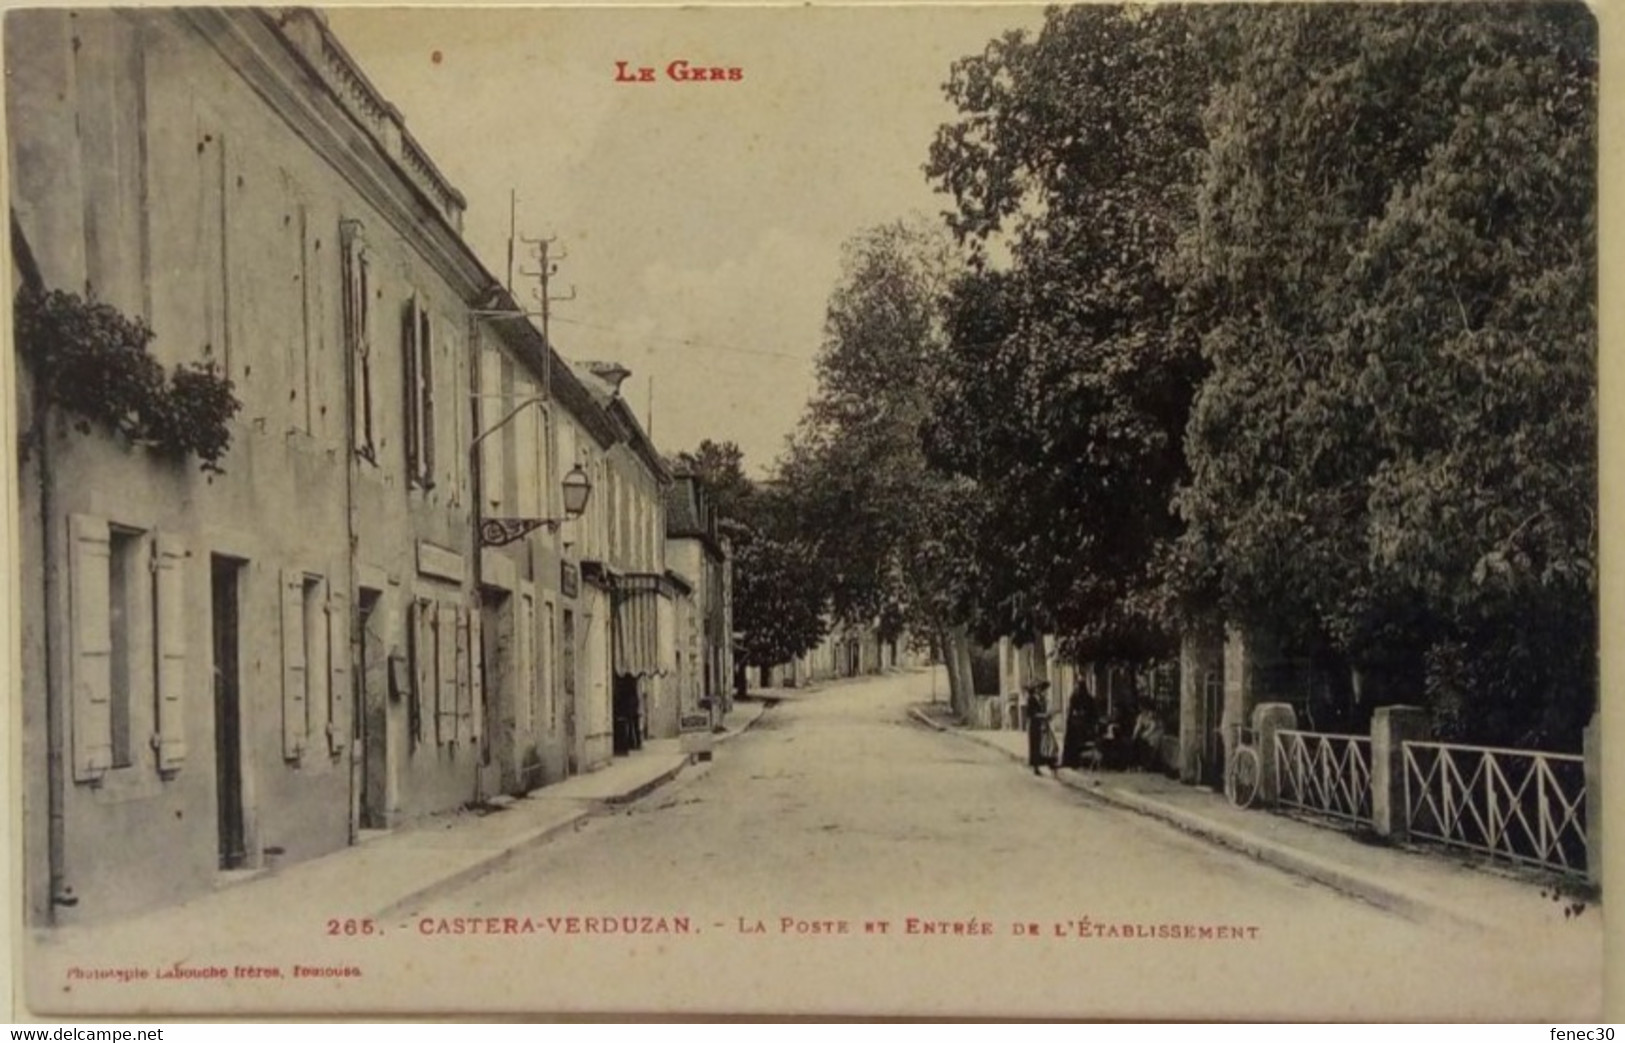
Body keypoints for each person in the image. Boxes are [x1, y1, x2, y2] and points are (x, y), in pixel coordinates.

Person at [1060, 681, 1099, 769]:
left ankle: (1075, 761)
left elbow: (1093, 714)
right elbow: (1070, 711)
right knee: (1071, 737)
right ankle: (1070, 761)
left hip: (1085, 727)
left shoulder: (1089, 699)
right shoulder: (1074, 697)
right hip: (1075, 726)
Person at [1024, 681, 1056, 776]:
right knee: (1036, 746)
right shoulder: (1031, 699)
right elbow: (1031, 714)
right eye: (1037, 689)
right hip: (1034, 726)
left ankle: (1049, 764)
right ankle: (1037, 767)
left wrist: (1047, 716)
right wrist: (1044, 716)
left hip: (1041, 725)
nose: (1040, 691)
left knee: (1045, 745)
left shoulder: (1040, 699)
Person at [1131, 705, 1165, 773]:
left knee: (1151, 746)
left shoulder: (1156, 720)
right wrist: (1134, 736)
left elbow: (1153, 729)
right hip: (1147, 736)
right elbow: (1137, 727)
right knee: (1137, 743)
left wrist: (1145, 735)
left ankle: (1147, 765)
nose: (1150, 713)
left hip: (1155, 735)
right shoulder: (1141, 717)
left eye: (1151, 711)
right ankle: (1137, 764)